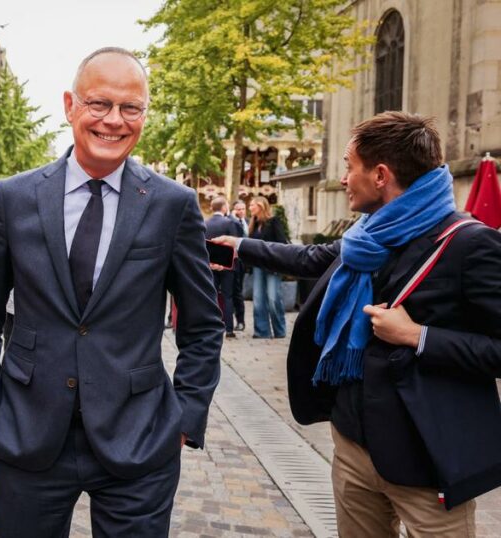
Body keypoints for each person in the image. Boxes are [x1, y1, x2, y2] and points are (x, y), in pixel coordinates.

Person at [0, 47, 224, 537]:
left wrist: (185, 416)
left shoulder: (172, 205)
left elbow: (203, 325)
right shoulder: (14, 197)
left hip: (140, 437)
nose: (114, 121)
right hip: (25, 432)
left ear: (144, 113)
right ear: (70, 105)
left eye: (131, 108)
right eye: (99, 104)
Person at [212, 111, 501, 537]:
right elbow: (312, 259)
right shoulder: (366, 234)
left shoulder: (470, 244)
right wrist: (240, 245)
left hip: (427, 463)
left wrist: (417, 336)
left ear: (381, 175)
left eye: (349, 167)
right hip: (354, 447)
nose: (344, 179)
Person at [247, 196, 287, 338]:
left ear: (261, 206)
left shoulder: (273, 222)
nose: (250, 207)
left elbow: (282, 243)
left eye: (252, 205)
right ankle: (261, 331)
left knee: (273, 298)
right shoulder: (252, 224)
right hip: (258, 266)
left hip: (272, 265)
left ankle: (280, 331)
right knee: (258, 299)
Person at [204, 196, 242, 338]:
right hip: (227, 266)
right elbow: (235, 244)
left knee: (211, 295)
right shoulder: (229, 223)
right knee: (228, 296)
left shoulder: (204, 223)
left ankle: (211, 326)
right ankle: (229, 329)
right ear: (224, 208)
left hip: (210, 265)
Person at [231, 200, 248, 331]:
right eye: (239, 209)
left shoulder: (249, 222)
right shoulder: (232, 223)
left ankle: (241, 320)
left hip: (246, 262)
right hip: (234, 262)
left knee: (239, 291)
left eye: (243, 209)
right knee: (235, 291)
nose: (241, 211)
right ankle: (237, 321)